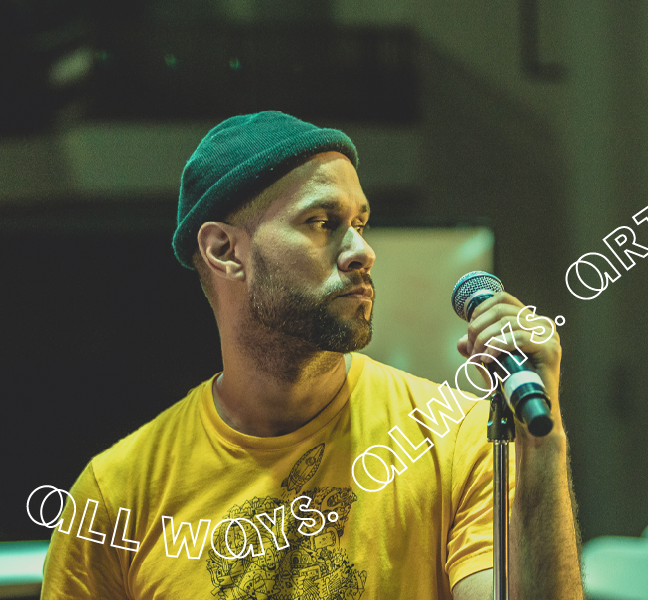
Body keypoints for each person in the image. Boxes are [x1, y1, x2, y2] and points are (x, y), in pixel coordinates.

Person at [40, 111, 584, 599]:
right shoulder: (116, 497)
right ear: (225, 250)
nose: (363, 252)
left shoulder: (454, 440)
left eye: (361, 224)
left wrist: (545, 440)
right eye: (322, 223)